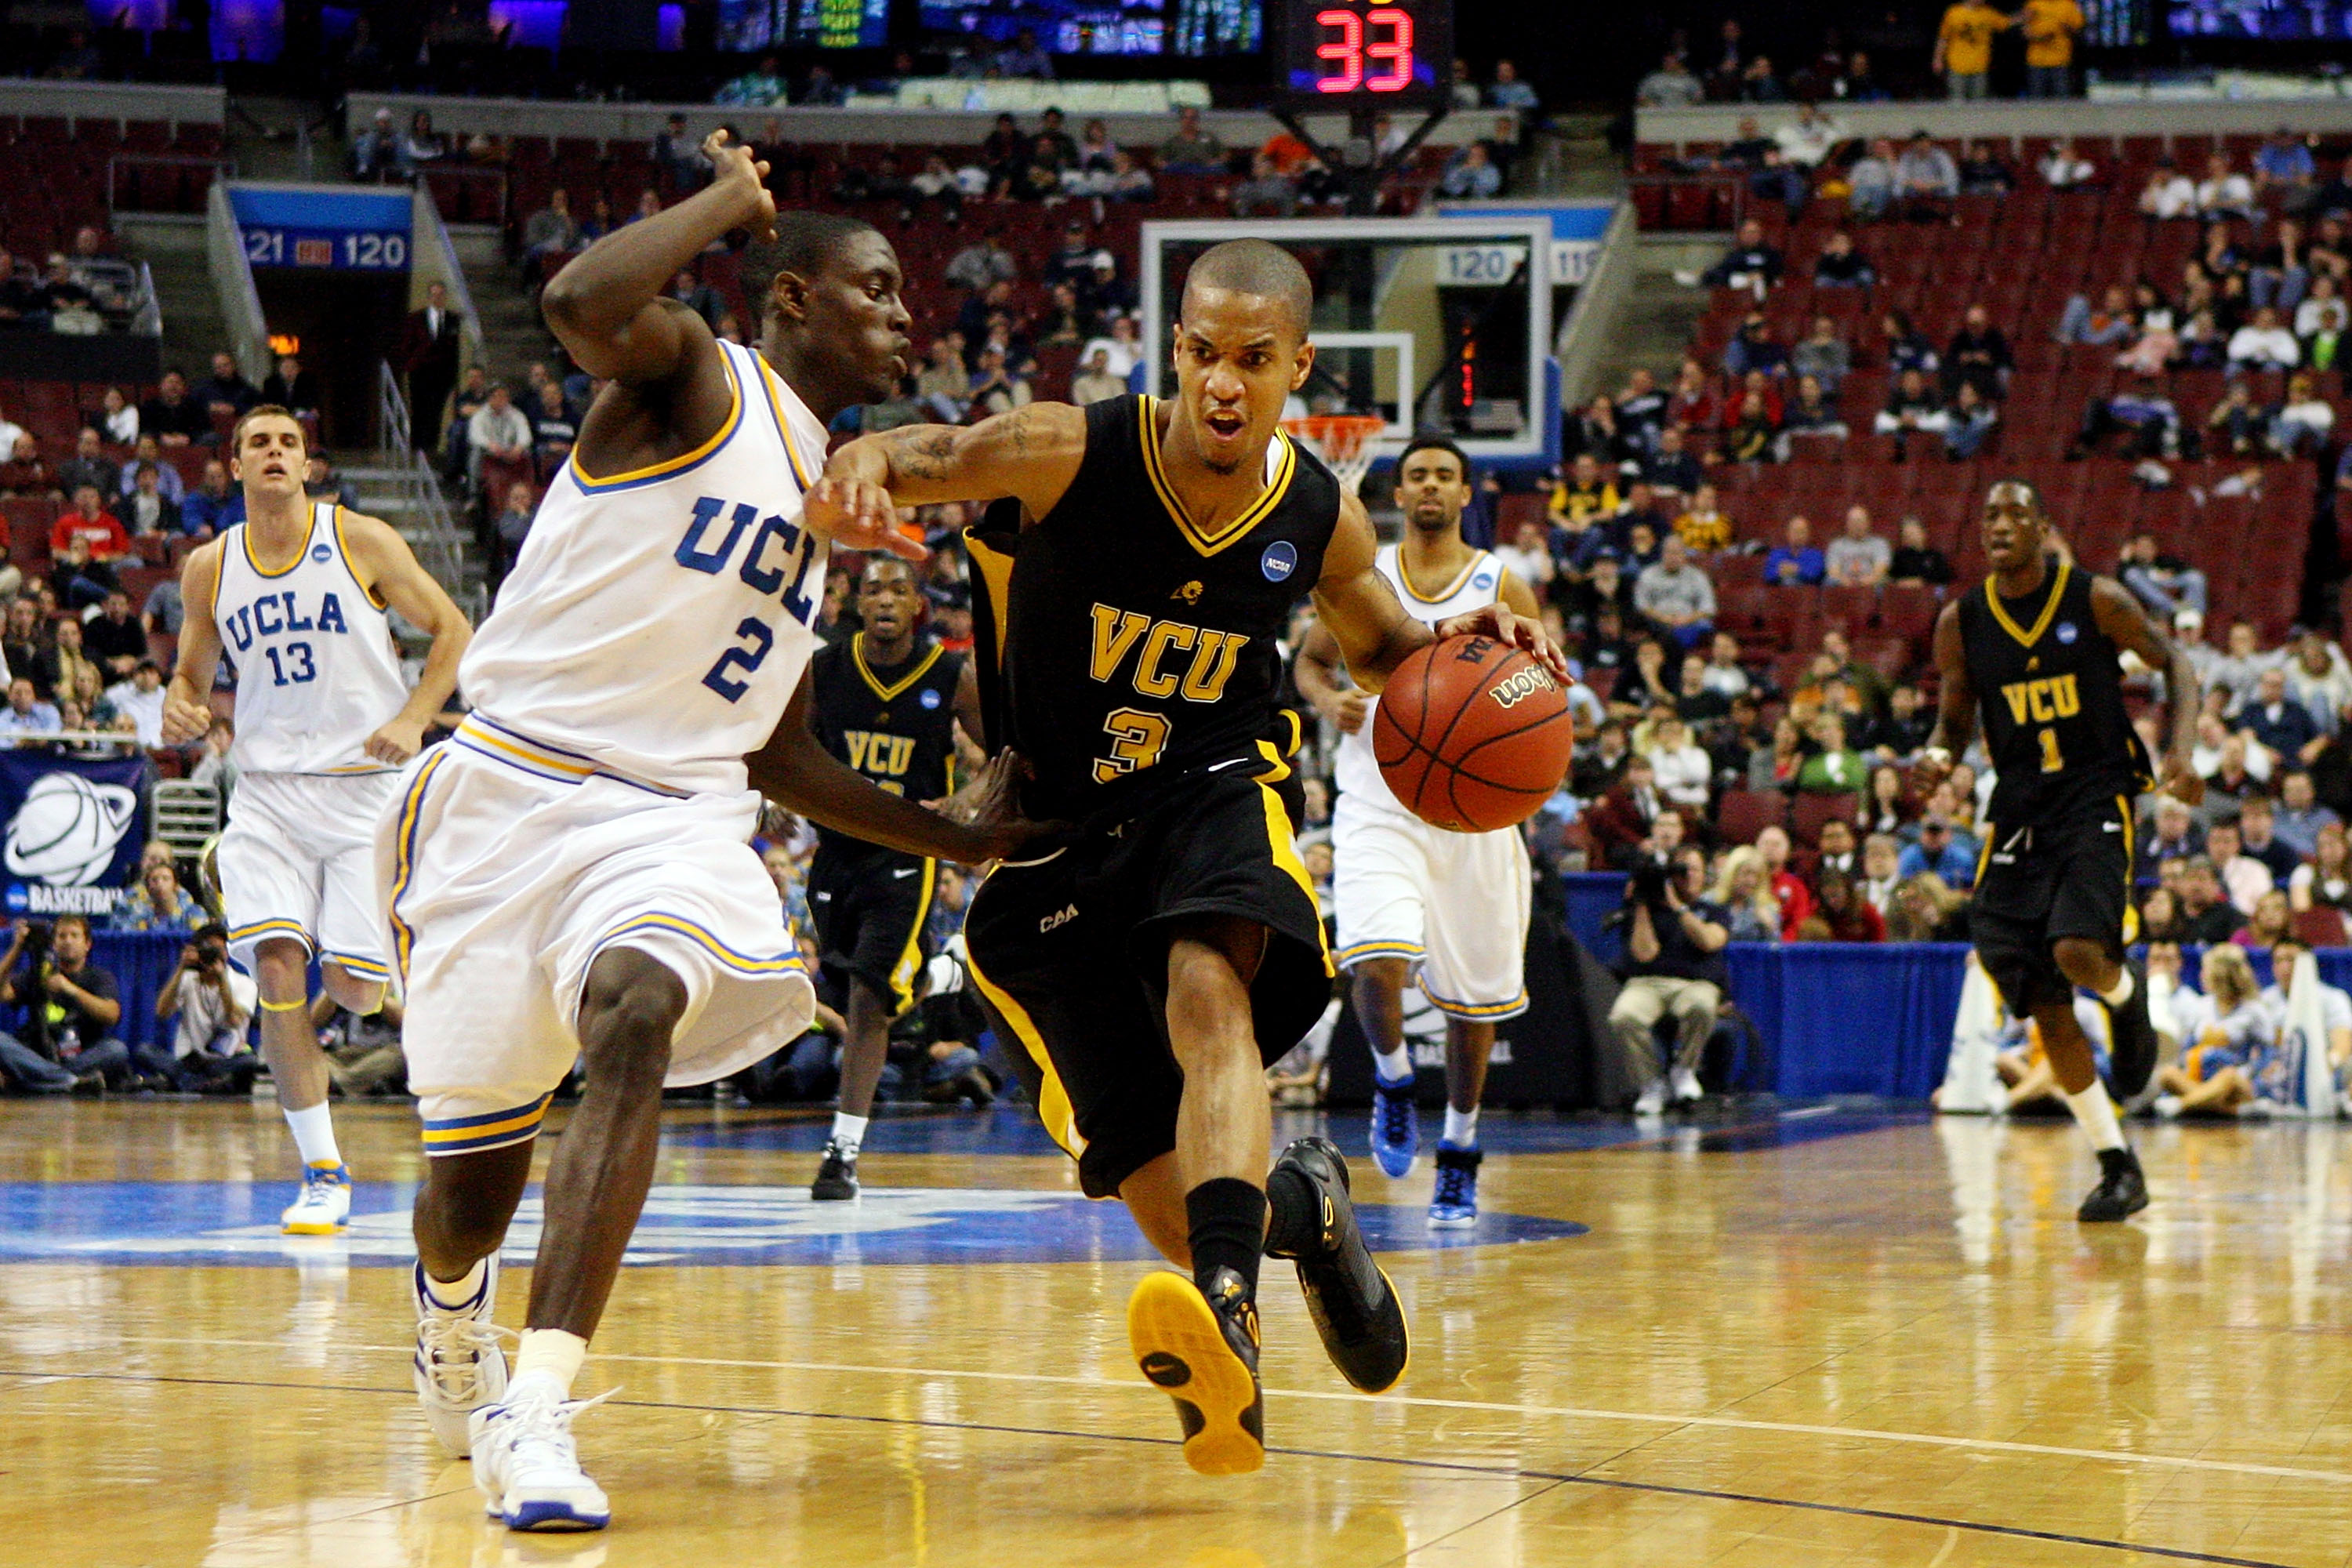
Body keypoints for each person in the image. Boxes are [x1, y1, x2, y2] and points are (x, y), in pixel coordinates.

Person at [380, 133, 1051, 1533]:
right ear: (791, 296)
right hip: (507, 792)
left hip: (675, 813)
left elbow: (775, 749)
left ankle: (540, 1403)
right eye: (873, 288)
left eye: (908, 298)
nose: (905, 315)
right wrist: (728, 205)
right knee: (469, 1194)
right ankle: (453, 1316)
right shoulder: (694, 376)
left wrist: (951, 836)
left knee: (638, 1005)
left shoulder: (838, 491)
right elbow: (577, 307)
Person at [822, 237, 1568, 1475]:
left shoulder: (1315, 511)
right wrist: (861, 461)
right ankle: (1305, 1215)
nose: (1226, 382)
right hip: (1045, 839)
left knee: (1207, 994)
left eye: (1255, 361)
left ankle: (1232, 1324)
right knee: (1171, 1202)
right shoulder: (1073, 449)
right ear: (1176, 351)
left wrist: (1456, 636)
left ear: (1297, 370)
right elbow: (930, 459)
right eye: (1205, 354)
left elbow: (1381, 646)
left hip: (1207, 790)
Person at [158, 404, 473, 1235]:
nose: (273, 452)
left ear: (308, 465)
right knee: (275, 966)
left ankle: (386, 978)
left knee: (355, 987)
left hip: (365, 788)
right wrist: (180, 705)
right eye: (258, 442)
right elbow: (189, 679)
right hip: (266, 793)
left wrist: (413, 716)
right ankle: (323, 1170)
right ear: (232, 465)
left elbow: (453, 629)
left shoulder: (359, 539)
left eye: (287, 442)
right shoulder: (208, 567)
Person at [1921, 480, 2198, 1223]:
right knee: (2043, 1001)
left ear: (2045, 528)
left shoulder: (2098, 600)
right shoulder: (1961, 623)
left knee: (2079, 952)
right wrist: (1937, 758)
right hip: (2018, 811)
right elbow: (1953, 723)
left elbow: (2176, 664)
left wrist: (2180, 751)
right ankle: (2117, 1163)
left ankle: (2126, 994)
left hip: (2095, 796)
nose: (2001, 526)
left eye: (2016, 514)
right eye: (1989, 517)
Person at [1294, 437, 1539, 1228]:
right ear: (1397, 493)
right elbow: (1311, 661)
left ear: (1467, 491)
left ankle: (1462, 1145)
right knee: (1377, 952)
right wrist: (1328, 702)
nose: (1430, 484)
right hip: (1377, 796)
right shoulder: (1364, 577)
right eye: (1417, 475)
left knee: (1475, 1003)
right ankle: (1395, 1080)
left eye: (1444, 474)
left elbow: (1538, 683)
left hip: (1474, 810)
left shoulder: (1504, 582)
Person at [801, 555, 982, 1201]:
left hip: (908, 852)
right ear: (858, 602)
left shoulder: (950, 674)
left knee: (869, 999)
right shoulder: (824, 668)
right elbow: (790, 746)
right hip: (836, 853)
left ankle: (841, 1153)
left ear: (916, 608)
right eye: (874, 587)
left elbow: (1006, 755)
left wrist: (967, 798)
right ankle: (945, 975)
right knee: (853, 982)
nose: (885, 598)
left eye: (898, 589)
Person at [1613, 845, 1730, 1115]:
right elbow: (1644, 955)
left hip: (1695, 984)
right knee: (1623, 1015)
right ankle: (1651, 1083)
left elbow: (1709, 941)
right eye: (1681, 870)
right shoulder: (1646, 909)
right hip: (1648, 983)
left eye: (1694, 870)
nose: (1688, 876)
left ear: (1705, 875)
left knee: (1701, 1005)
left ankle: (1684, 1069)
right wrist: (1642, 903)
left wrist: (1679, 907)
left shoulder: (1713, 911)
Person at [401, 280, 465, 454]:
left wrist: (454, 377)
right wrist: (411, 366)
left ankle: (431, 448)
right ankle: (416, 448)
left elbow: (455, 351)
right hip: (420, 373)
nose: (437, 298)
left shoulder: (452, 319)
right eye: (434, 295)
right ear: (429, 297)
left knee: (436, 412)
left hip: (442, 375)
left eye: (441, 295)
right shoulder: (415, 318)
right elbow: (408, 345)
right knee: (419, 409)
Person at [1935, 0, 2009, 99]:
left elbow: (2007, 22)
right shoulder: (1953, 13)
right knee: (1957, 103)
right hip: (1957, 67)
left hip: (1980, 67)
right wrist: (1938, 59)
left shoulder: (1988, 13)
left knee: (1978, 105)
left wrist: (2023, 17)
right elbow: (1943, 38)